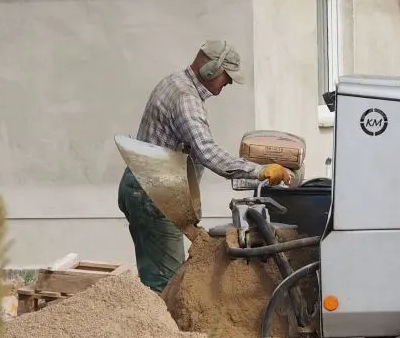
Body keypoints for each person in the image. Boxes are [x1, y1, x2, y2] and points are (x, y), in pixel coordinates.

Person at [118, 41, 293, 292]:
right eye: (227, 77)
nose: (228, 84)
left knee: (157, 275)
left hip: (144, 187)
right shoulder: (186, 99)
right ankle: (159, 330)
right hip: (153, 195)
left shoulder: (174, 82)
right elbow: (207, 152)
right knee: (165, 285)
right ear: (211, 69)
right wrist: (259, 172)